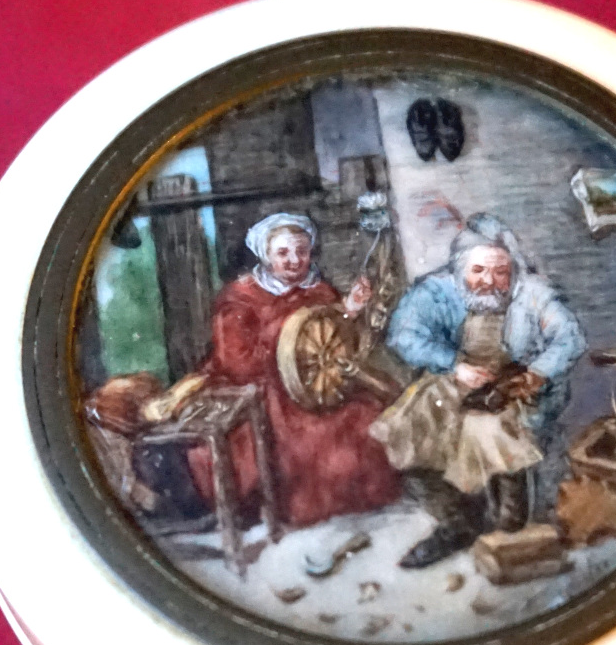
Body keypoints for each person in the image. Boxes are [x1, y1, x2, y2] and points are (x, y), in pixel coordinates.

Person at [371, 214, 586, 568]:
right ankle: (456, 521)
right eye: (478, 271)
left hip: (514, 386)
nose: (489, 281)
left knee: (487, 432)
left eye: (501, 272)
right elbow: (403, 335)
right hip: (454, 378)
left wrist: (536, 374)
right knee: (408, 428)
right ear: (460, 269)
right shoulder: (437, 292)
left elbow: (569, 338)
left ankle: (509, 519)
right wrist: (454, 365)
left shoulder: (532, 294)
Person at [186, 212, 401, 528]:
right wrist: (284, 338)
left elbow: (337, 341)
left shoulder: (319, 291)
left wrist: (349, 311)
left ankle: (356, 503)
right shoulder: (239, 298)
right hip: (261, 384)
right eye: (283, 253)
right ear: (266, 255)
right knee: (304, 436)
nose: (294, 260)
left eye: (301, 251)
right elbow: (236, 362)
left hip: (316, 385)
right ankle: (293, 509)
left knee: (365, 414)